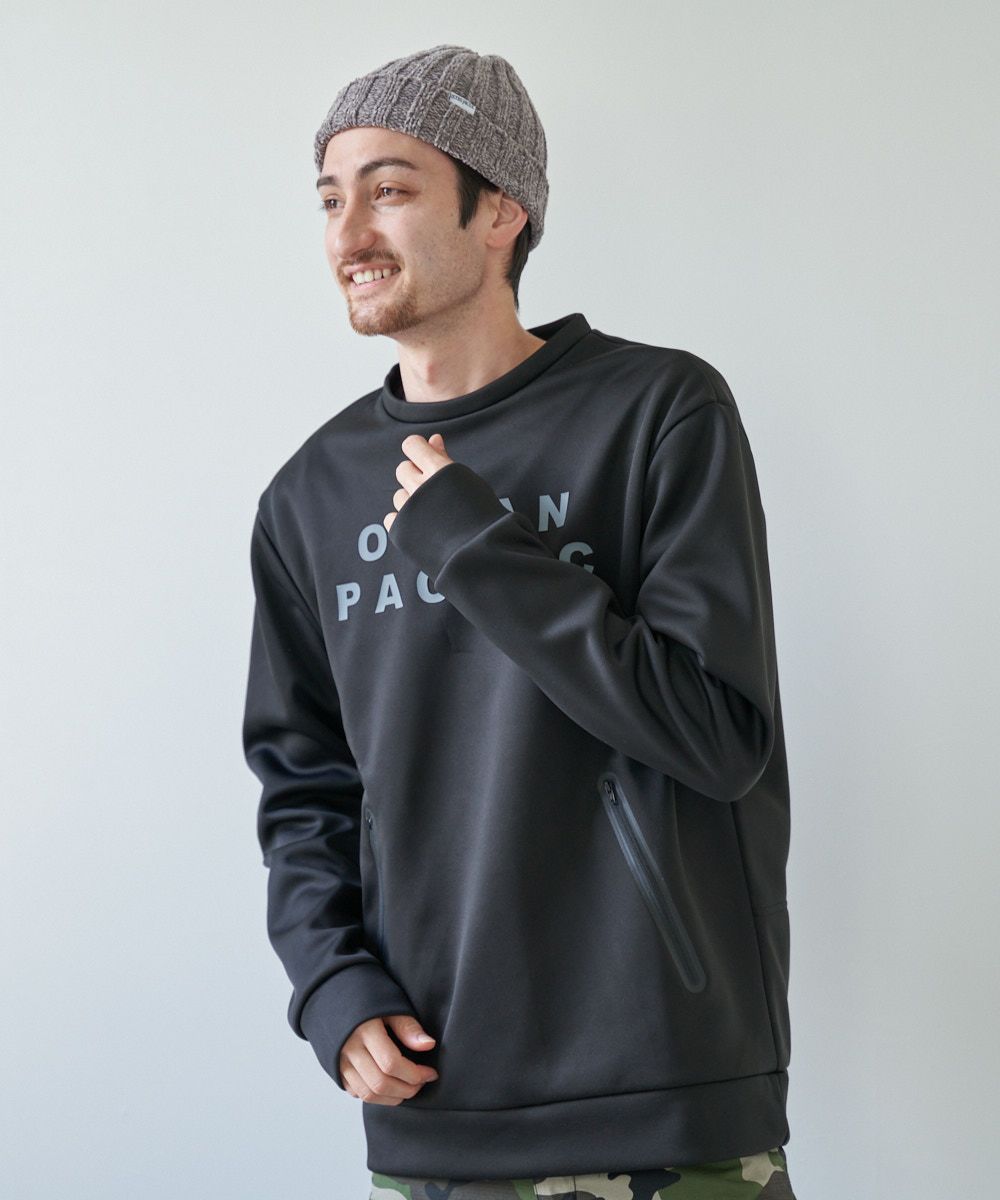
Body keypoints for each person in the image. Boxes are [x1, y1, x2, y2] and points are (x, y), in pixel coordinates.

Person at [241, 44, 797, 1200]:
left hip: (668, 1102)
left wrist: (476, 546)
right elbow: (304, 788)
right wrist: (331, 986)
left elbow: (717, 737)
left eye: (390, 191)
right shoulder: (310, 496)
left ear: (501, 211)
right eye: (331, 200)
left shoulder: (657, 413)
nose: (349, 235)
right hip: (437, 1104)